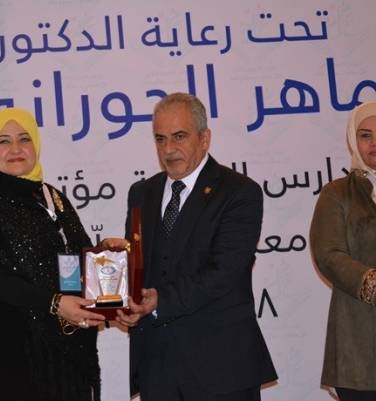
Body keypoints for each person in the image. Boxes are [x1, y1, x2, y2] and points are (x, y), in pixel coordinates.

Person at [105, 93, 277, 401]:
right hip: (158, 369)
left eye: (179, 136)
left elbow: (226, 271)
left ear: (204, 138)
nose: (168, 149)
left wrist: (159, 300)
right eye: (160, 139)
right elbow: (143, 268)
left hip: (221, 367)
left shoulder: (239, 192)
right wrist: (119, 278)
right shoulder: (142, 193)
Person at [0, 107, 105, 401]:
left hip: (62, 362)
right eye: (4, 141)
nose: (15, 149)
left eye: (24, 139)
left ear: (36, 144)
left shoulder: (53, 198)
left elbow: (76, 258)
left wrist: (106, 261)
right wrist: (54, 303)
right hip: (5, 366)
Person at [310, 101, 376, 401]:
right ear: (353, 140)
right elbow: (328, 254)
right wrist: (371, 282)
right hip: (358, 344)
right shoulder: (337, 193)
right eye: (365, 135)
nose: (373, 143)